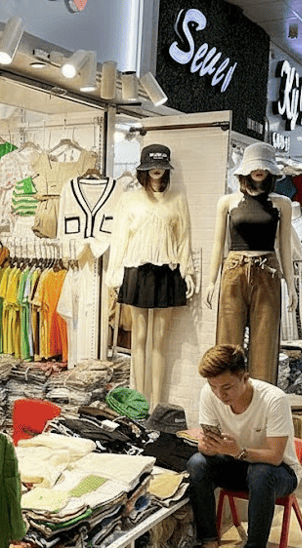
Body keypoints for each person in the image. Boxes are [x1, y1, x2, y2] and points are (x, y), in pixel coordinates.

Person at [179, 345, 302, 548]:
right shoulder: (210, 394)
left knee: (260, 472)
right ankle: (209, 545)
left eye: (227, 387)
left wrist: (238, 451)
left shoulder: (273, 399)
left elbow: (276, 457)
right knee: (196, 464)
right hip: (237, 463)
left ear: (245, 377)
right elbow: (209, 450)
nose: (220, 394)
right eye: (214, 387)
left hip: (280, 472)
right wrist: (208, 447)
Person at [107, 144, 194, 409]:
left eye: (161, 166)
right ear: (143, 169)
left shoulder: (177, 198)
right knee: (139, 337)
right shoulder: (130, 199)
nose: (157, 170)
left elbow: (184, 239)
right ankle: (139, 402)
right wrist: (114, 276)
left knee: (160, 341)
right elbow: (119, 238)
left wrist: (187, 271)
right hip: (137, 270)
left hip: (166, 271)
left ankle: (158, 404)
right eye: (152, 166)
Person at [206, 142, 298, 385]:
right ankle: (225, 398)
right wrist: (211, 281)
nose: (259, 170)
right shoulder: (227, 202)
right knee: (227, 343)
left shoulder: (282, 204)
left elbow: (284, 246)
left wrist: (291, 283)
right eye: (254, 165)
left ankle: (261, 405)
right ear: (244, 169)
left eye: (264, 166)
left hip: (267, 271)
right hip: (234, 269)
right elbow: (219, 243)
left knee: (265, 341)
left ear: (271, 171)